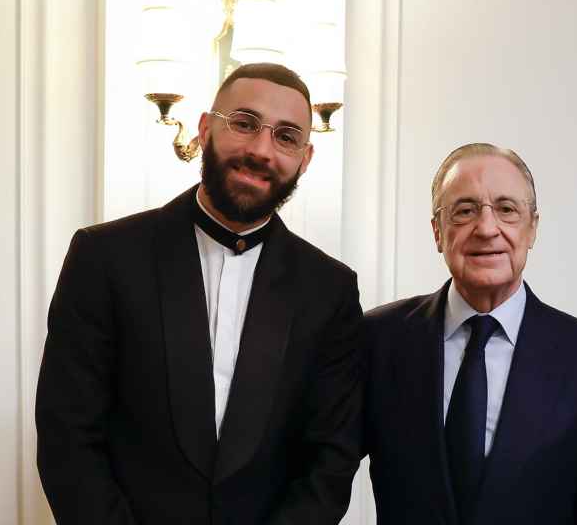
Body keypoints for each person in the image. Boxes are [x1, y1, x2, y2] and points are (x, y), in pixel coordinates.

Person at [36, 63, 363, 525]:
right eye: (244, 124)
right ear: (206, 128)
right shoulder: (104, 257)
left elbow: (330, 459)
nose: (261, 150)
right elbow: (67, 435)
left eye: (286, 137)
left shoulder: (330, 290)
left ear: (305, 159)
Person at [363, 143, 577, 525]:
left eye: (507, 210)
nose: (487, 228)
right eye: (464, 211)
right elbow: (324, 463)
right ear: (437, 232)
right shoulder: (378, 338)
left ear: (532, 228)